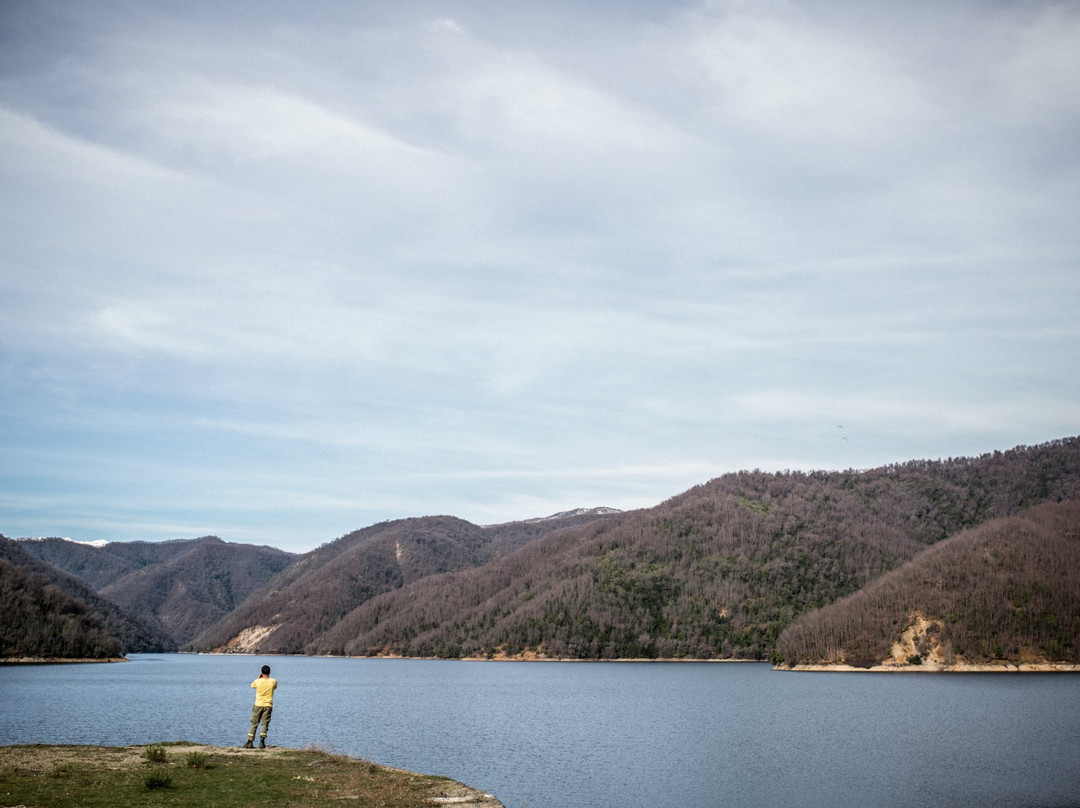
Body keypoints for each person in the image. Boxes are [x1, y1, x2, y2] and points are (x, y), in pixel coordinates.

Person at [243, 664, 278, 748]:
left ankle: (250, 742)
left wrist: (258, 678)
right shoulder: (273, 681)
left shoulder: (257, 681)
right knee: (265, 723)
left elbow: (252, 686)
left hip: (258, 704)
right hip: (268, 705)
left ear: (261, 673)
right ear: (269, 672)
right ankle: (262, 742)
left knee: (254, 723)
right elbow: (275, 687)